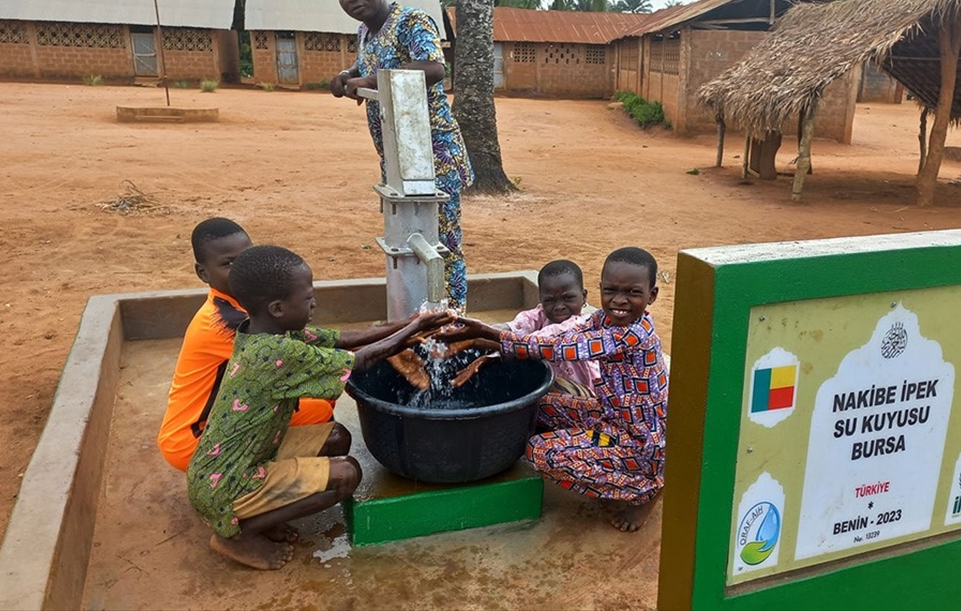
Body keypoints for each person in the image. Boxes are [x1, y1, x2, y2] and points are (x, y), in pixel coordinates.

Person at [186, 244, 453, 570]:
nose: (314, 303)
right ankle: (238, 534)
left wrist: (409, 323)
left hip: (235, 461)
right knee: (346, 474)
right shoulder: (274, 354)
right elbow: (360, 359)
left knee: (336, 437)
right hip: (226, 483)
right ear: (277, 308)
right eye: (308, 298)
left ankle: (263, 515)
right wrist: (416, 329)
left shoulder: (267, 332)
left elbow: (346, 339)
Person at [157, 218, 421, 472]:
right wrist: (399, 340)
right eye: (229, 264)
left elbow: (323, 339)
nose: (241, 270)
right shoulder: (225, 324)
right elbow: (317, 356)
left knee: (321, 401)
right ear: (202, 272)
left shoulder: (243, 306)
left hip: (222, 417)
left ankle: (285, 466)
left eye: (246, 258)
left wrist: (405, 326)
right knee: (326, 420)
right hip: (193, 437)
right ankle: (260, 483)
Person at [438, 247, 667, 532]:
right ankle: (604, 460)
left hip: (638, 442)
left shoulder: (634, 334)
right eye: (611, 290)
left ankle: (643, 488)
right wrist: (486, 346)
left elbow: (560, 347)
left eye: (632, 292)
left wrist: (484, 334)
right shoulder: (603, 319)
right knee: (538, 405)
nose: (619, 300)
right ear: (599, 290)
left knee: (539, 452)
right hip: (610, 416)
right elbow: (565, 335)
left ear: (651, 295)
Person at [329, 0, 473, 311]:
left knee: (442, 244)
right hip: (398, 160)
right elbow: (368, 64)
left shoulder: (411, 21)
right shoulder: (365, 32)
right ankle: (416, 317)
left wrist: (369, 79)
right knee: (408, 242)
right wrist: (347, 75)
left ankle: (453, 322)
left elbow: (434, 68)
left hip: (433, 156)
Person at [497, 260, 600, 398]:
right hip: (552, 388)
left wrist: (487, 336)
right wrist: (492, 331)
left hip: (586, 395)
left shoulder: (583, 324)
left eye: (568, 298)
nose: (559, 306)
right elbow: (518, 325)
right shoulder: (541, 315)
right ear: (541, 299)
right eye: (550, 300)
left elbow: (542, 339)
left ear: (584, 296)